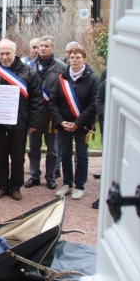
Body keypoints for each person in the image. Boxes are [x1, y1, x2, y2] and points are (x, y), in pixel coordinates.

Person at [0, 39, 43, 201]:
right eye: (2, 53)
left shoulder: (28, 72)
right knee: (0, 155)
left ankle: (15, 187)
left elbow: (36, 100)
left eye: (8, 53)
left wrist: (33, 123)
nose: (5, 57)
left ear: (15, 53)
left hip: (20, 123)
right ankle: (2, 185)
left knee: (18, 156)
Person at [49, 45, 99, 200]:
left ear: (84, 59)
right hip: (64, 124)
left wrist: (78, 122)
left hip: (82, 124)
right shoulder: (62, 78)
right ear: (68, 59)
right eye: (72, 57)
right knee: (65, 154)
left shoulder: (92, 78)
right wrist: (61, 121)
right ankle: (67, 183)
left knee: (81, 154)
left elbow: (93, 104)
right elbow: (53, 102)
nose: (75, 60)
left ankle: (79, 185)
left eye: (78, 57)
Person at [24, 35, 67, 191]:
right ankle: (34, 176)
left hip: (52, 115)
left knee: (53, 149)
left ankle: (50, 177)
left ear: (52, 48)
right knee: (33, 148)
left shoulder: (62, 67)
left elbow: (66, 92)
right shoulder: (28, 66)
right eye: (40, 46)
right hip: (34, 114)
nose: (42, 48)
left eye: (46, 46)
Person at [92, 67, 107, 209]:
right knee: (108, 159)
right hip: (108, 125)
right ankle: (103, 196)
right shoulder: (106, 77)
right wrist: (106, 116)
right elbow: (99, 100)